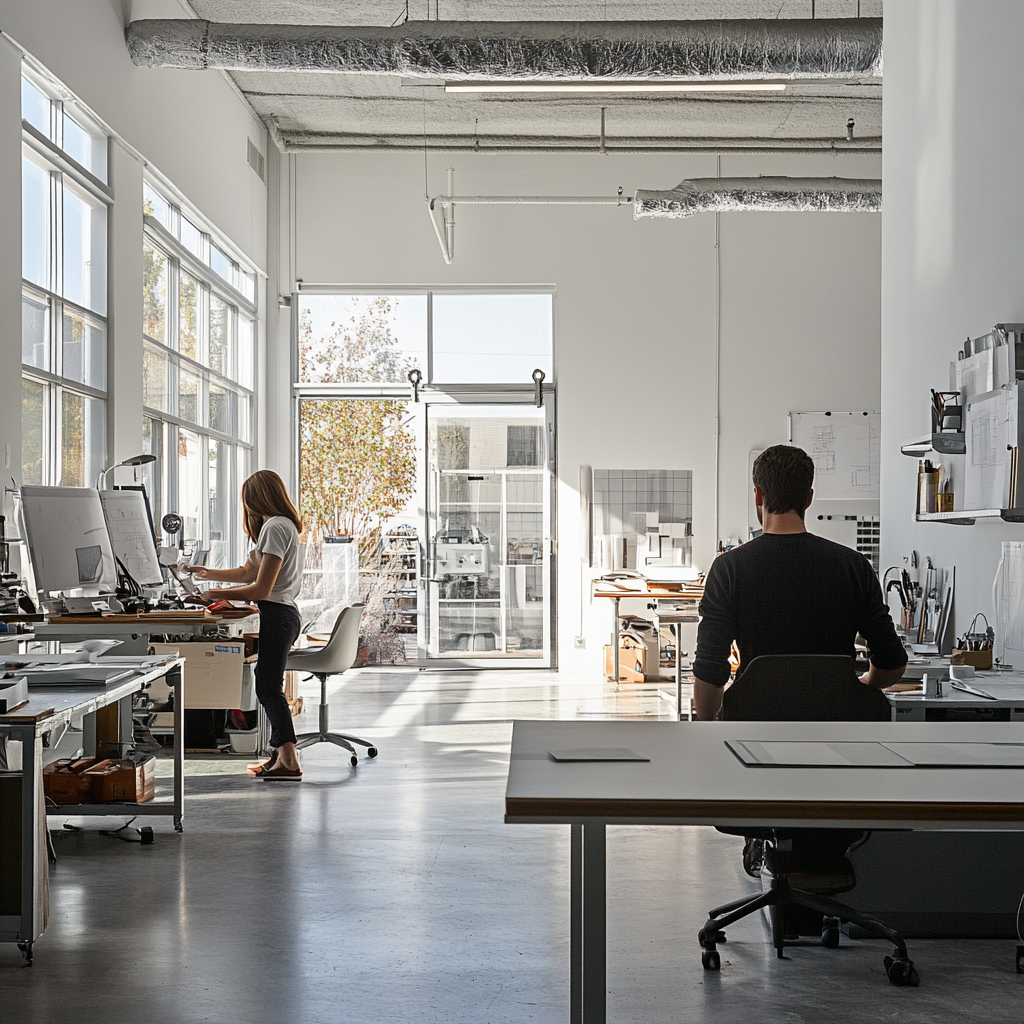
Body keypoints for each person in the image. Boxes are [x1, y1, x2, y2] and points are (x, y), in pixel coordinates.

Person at [692, 444, 907, 722]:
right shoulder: (854, 566)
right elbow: (892, 663)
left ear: (758, 494)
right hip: (839, 725)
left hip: (753, 724)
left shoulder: (728, 568)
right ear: (808, 498)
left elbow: (709, 672)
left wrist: (709, 728)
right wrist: (862, 684)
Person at [186, 470, 305, 781]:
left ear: (255, 498)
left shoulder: (276, 527)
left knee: (268, 686)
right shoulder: (278, 526)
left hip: (279, 615)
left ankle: (289, 759)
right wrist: (207, 574)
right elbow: (247, 572)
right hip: (280, 614)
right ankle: (280, 757)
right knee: (265, 682)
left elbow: (260, 589)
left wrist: (212, 595)